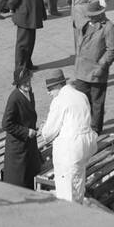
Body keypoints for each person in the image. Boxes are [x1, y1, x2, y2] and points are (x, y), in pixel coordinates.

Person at [39, 69, 97, 203]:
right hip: (86, 145)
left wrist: (44, 127)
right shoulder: (81, 95)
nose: (49, 93)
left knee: (66, 192)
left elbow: (48, 133)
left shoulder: (59, 100)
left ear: (57, 87)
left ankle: (69, 219)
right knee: (78, 184)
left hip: (70, 150)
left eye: (49, 89)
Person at [74, 0, 114, 134]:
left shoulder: (109, 27)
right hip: (81, 71)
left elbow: (113, 50)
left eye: (92, 15)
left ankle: (95, 131)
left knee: (97, 104)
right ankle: (83, 128)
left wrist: (102, 66)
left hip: (96, 72)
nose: (90, 17)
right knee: (82, 102)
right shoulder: (85, 23)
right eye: (89, 15)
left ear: (100, 14)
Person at [1, 66, 43, 189]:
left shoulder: (29, 92)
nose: (27, 83)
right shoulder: (14, 98)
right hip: (18, 147)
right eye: (24, 81)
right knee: (19, 180)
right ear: (18, 84)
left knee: (31, 173)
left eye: (28, 80)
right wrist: (25, 131)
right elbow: (6, 124)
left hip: (29, 145)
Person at [7, 0, 46, 77]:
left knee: (30, 43)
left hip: (31, 17)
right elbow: (13, 0)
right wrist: (12, 10)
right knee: (23, 45)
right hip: (24, 18)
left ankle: (28, 64)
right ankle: (19, 69)